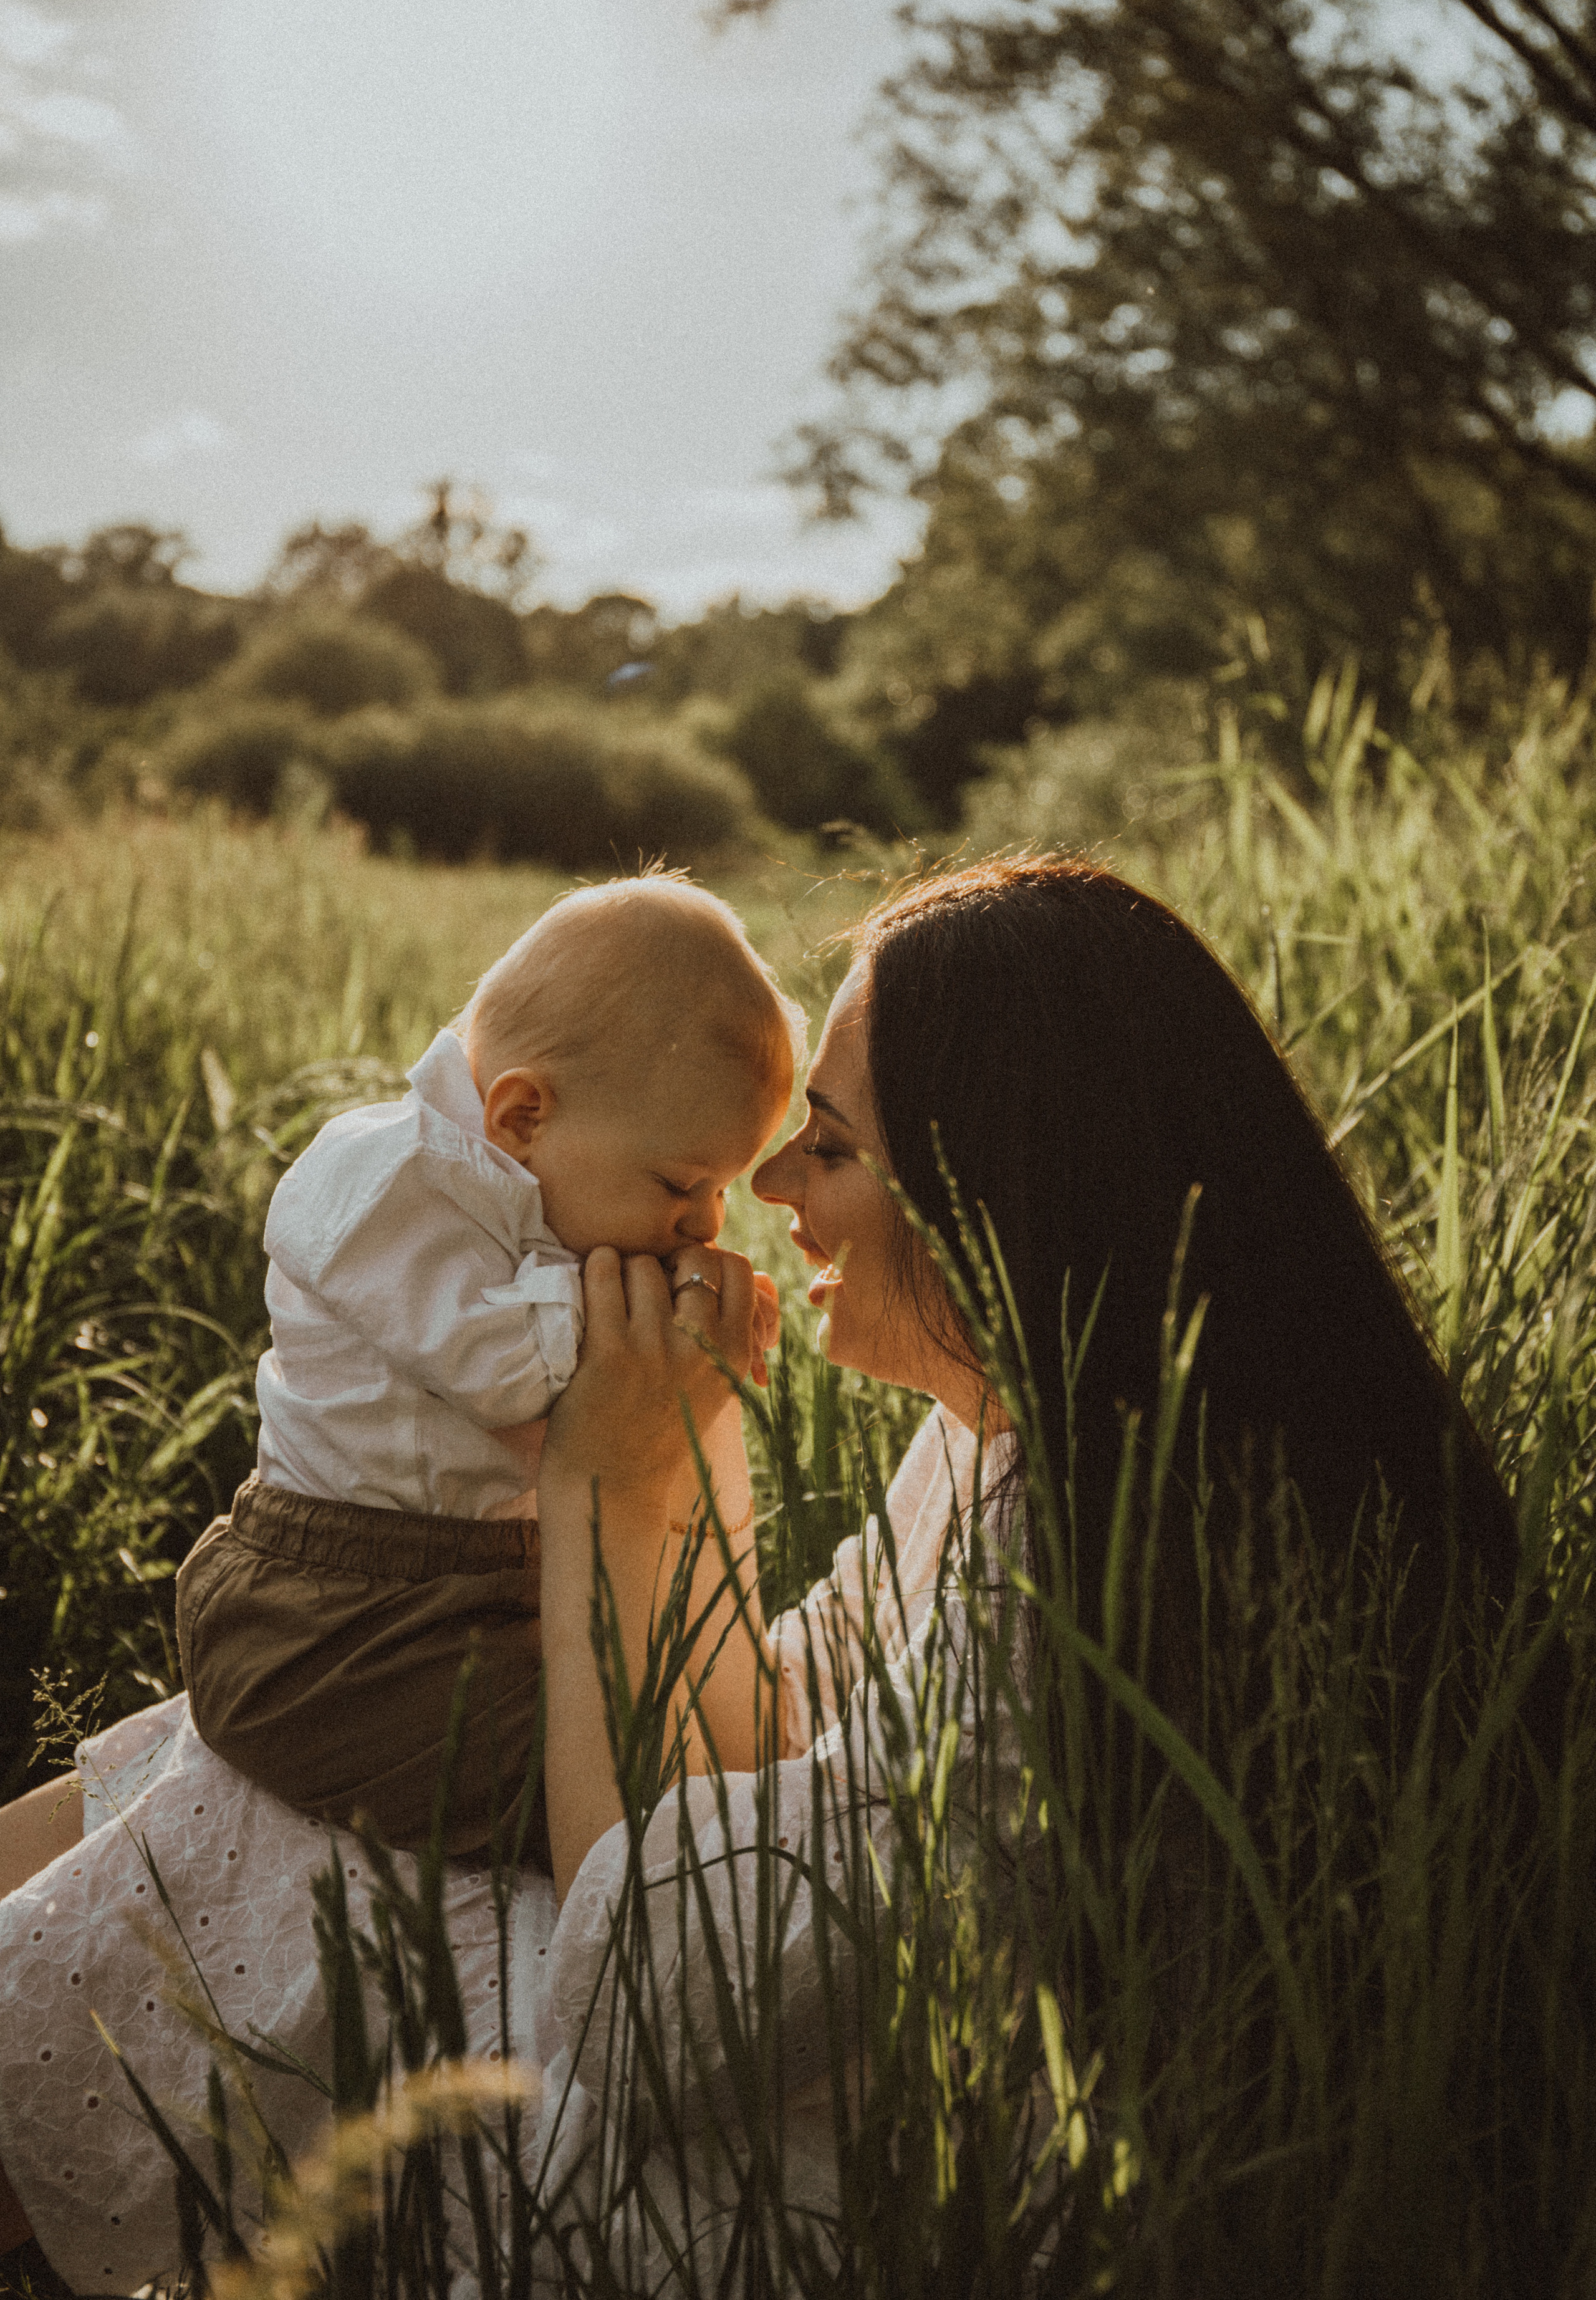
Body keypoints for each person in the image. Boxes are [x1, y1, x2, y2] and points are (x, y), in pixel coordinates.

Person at [0, 855, 1550, 2290]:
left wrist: (623, 1488)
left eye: (830, 1147)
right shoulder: (1008, 1437)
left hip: (925, 2185)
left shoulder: (1100, 1563)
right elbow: (782, 1713)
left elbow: (654, 1998)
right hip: (792, 2018)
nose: (769, 1198)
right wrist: (668, 1461)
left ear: (996, 1191)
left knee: (293, 1836)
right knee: (241, 1769)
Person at [175, 875, 793, 1864]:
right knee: (590, 1779)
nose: (709, 1222)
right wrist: (641, 1322)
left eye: (720, 1187)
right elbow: (493, 1367)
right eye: (683, 1183)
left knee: (668, 1725)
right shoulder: (386, 1181)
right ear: (520, 1115)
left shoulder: (535, 1191)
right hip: (334, 1616)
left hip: (470, 1598)